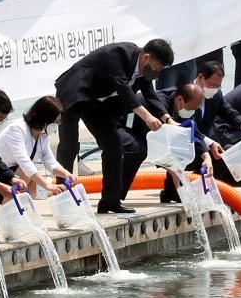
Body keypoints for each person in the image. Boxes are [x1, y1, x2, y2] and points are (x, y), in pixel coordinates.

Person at [55, 39, 172, 214]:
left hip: (100, 104)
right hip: (75, 94)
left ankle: (110, 201)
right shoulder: (118, 53)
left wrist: (167, 119)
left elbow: (150, 94)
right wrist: (147, 117)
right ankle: (62, 199)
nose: (158, 73)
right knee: (69, 147)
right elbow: (123, 87)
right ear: (146, 57)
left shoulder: (143, 71)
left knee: (114, 146)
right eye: (158, 68)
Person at [119, 83, 219, 204]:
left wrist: (206, 157)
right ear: (180, 100)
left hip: (146, 130)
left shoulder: (181, 104)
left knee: (185, 147)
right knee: (137, 151)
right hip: (125, 124)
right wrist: (179, 185)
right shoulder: (159, 104)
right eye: (191, 109)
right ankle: (116, 196)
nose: (192, 112)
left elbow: (194, 132)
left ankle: (171, 192)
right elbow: (166, 149)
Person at [0, 96, 75, 196]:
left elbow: (50, 161)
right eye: (55, 122)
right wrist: (46, 185)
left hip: (12, 174)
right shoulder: (17, 129)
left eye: (58, 122)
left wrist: (66, 174)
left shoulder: (43, 135)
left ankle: (20, 208)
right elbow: (24, 161)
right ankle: (9, 208)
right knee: (26, 172)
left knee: (34, 185)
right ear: (43, 118)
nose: (56, 126)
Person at [190, 61, 241, 185]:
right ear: (200, 77)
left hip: (210, 144)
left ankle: (227, 177)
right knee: (223, 154)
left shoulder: (216, 95)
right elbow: (188, 128)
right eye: (211, 85)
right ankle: (201, 178)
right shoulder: (186, 93)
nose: (214, 89)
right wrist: (209, 143)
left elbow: (229, 112)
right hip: (191, 145)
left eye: (217, 86)